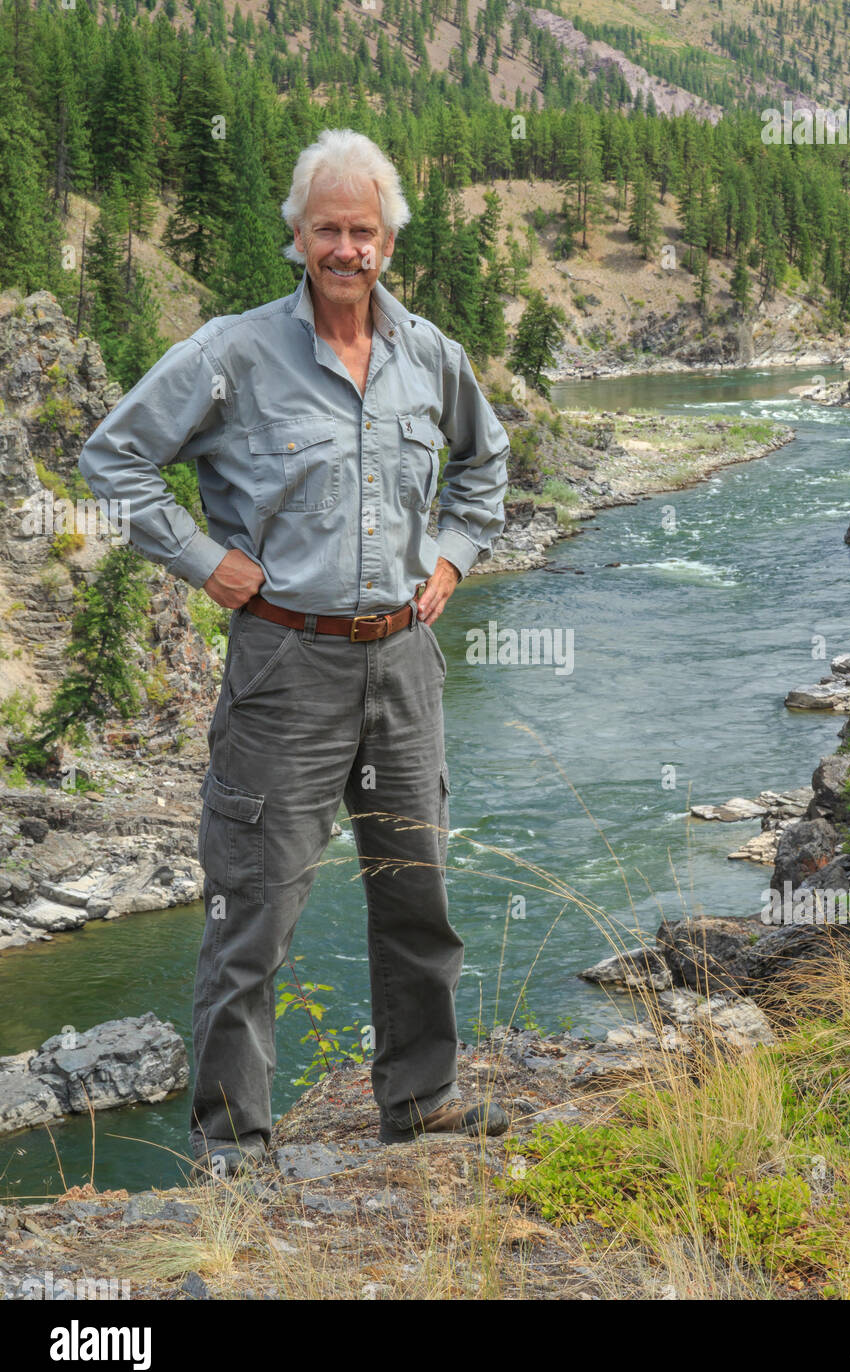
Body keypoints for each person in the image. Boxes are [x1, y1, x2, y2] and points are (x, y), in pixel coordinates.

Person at [78, 128, 511, 1176]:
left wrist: (448, 563)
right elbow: (114, 456)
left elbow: (485, 465)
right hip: (285, 665)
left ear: (389, 243)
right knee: (253, 911)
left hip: (403, 662)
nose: (346, 249)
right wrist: (202, 560)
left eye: (364, 231)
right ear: (297, 236)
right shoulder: (234, 354)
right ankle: (234, 1150)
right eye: (328, 229)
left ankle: (420, 1097)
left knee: (417, 890)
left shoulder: (428, 356)